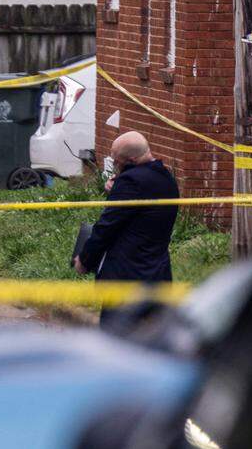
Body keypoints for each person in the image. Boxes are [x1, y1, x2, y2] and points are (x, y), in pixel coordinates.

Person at [74, 131, 179, 328]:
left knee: (117, 342)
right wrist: (116, 189)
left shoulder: (130, 182)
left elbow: (107, 226)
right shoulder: (167, 179)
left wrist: (85, 259)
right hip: (158, 276)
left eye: (116, 161)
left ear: (130, 160)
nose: (114, 165)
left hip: (126, 277)